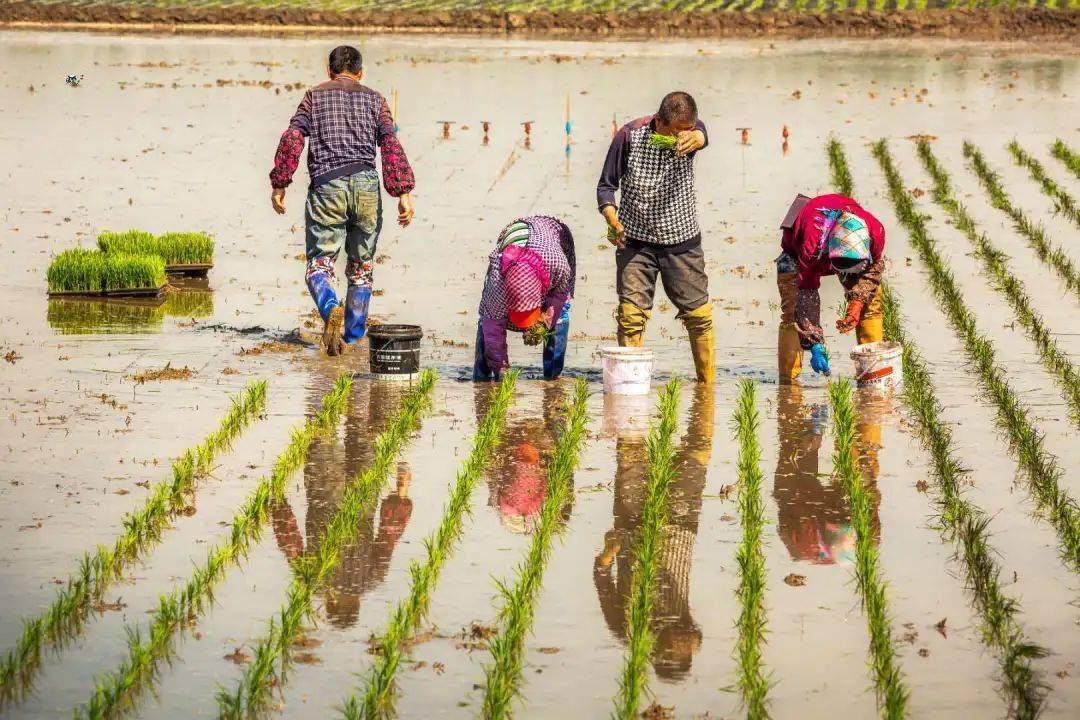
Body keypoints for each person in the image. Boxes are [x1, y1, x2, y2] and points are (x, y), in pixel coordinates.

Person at [269, 45, 415, 357]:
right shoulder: (376, 99)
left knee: (319, 265)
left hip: (327, 186)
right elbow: (390, 144)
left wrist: (280, 183)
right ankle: (353, 336)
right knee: (361, 268)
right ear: (360, 72)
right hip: (365, 186)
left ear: (329, 70)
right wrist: (403, 193)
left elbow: (293, 138)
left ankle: (330, 306)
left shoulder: (313, 96)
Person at [597, 91, 714, 383]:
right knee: (631, 316)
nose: (680, 139)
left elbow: (702, 133)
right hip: (635, 242)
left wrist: (698, 137)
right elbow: (605, 187)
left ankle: (707, 387)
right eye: (674, 132)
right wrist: (613, 219)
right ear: (659, 121)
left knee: (699, 317)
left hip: (682, 240)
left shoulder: (691, 137)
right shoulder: (629, 136)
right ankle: (631, 385)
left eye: (686, 132)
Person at [777, 193, 885, 381]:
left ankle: (872, 374)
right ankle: (789, 385)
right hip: (796, 252)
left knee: (871, 304)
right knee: (792, 313)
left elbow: (873, 270)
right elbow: (807, 293)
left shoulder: (876, 232)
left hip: (848, 252)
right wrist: (814, 342)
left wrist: (857, 302)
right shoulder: (812, 249)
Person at [474, 215, 575, 381]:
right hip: (515, 248)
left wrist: (545, 322)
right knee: (488, 318)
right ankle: (482, 378)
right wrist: (502, 370)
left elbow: (559, 296)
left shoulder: (558, 265)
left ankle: (552, 375)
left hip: (554, 236)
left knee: (560, 315)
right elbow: (493, 328)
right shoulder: (497, 285)